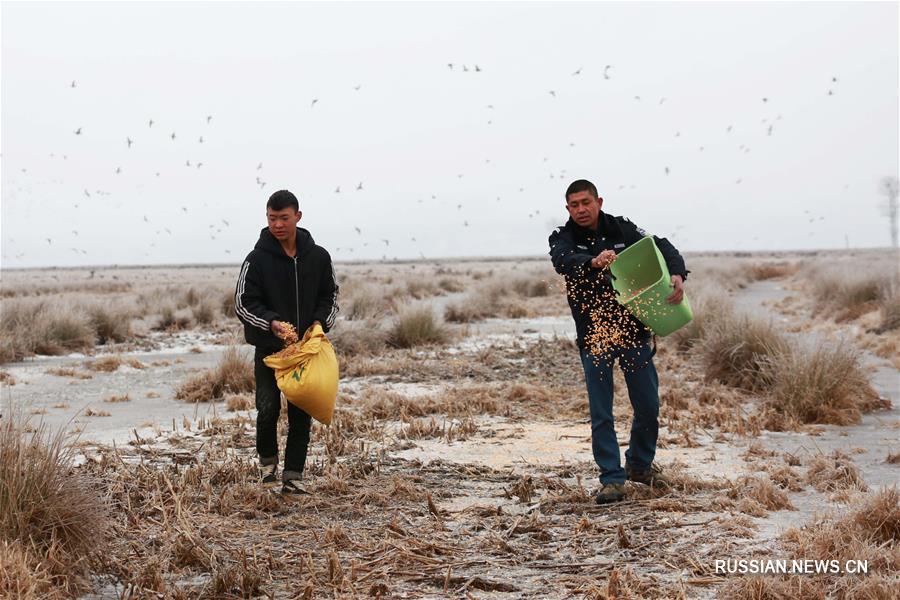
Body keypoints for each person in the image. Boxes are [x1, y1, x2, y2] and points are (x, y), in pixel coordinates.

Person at [548, 179, 688, 504]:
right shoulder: (563, 237)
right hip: (595, 336)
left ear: (598, 201)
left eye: (586, 202)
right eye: (573, 205)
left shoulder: (622, 228)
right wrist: (593, 262)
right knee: (602, 412)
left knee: (648, 406)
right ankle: (612, 479)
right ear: (567, 208)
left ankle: (639, 465)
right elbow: (562, 261)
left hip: (632, 331)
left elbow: (661, 246)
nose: (581, 210)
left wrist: (678, 273)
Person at [234, 189, 339, 494]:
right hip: (269, 350)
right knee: (267, 409)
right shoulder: (256, 259)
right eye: (271, 218)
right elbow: (243, 303)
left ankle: (293, 476)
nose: (277, 224)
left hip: (305, 350)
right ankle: (268, 468)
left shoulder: (318, 257)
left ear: (297, 216)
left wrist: (320, 323)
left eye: (283, 218)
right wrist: (271, 323)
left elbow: (329, 296)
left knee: (300, 412)